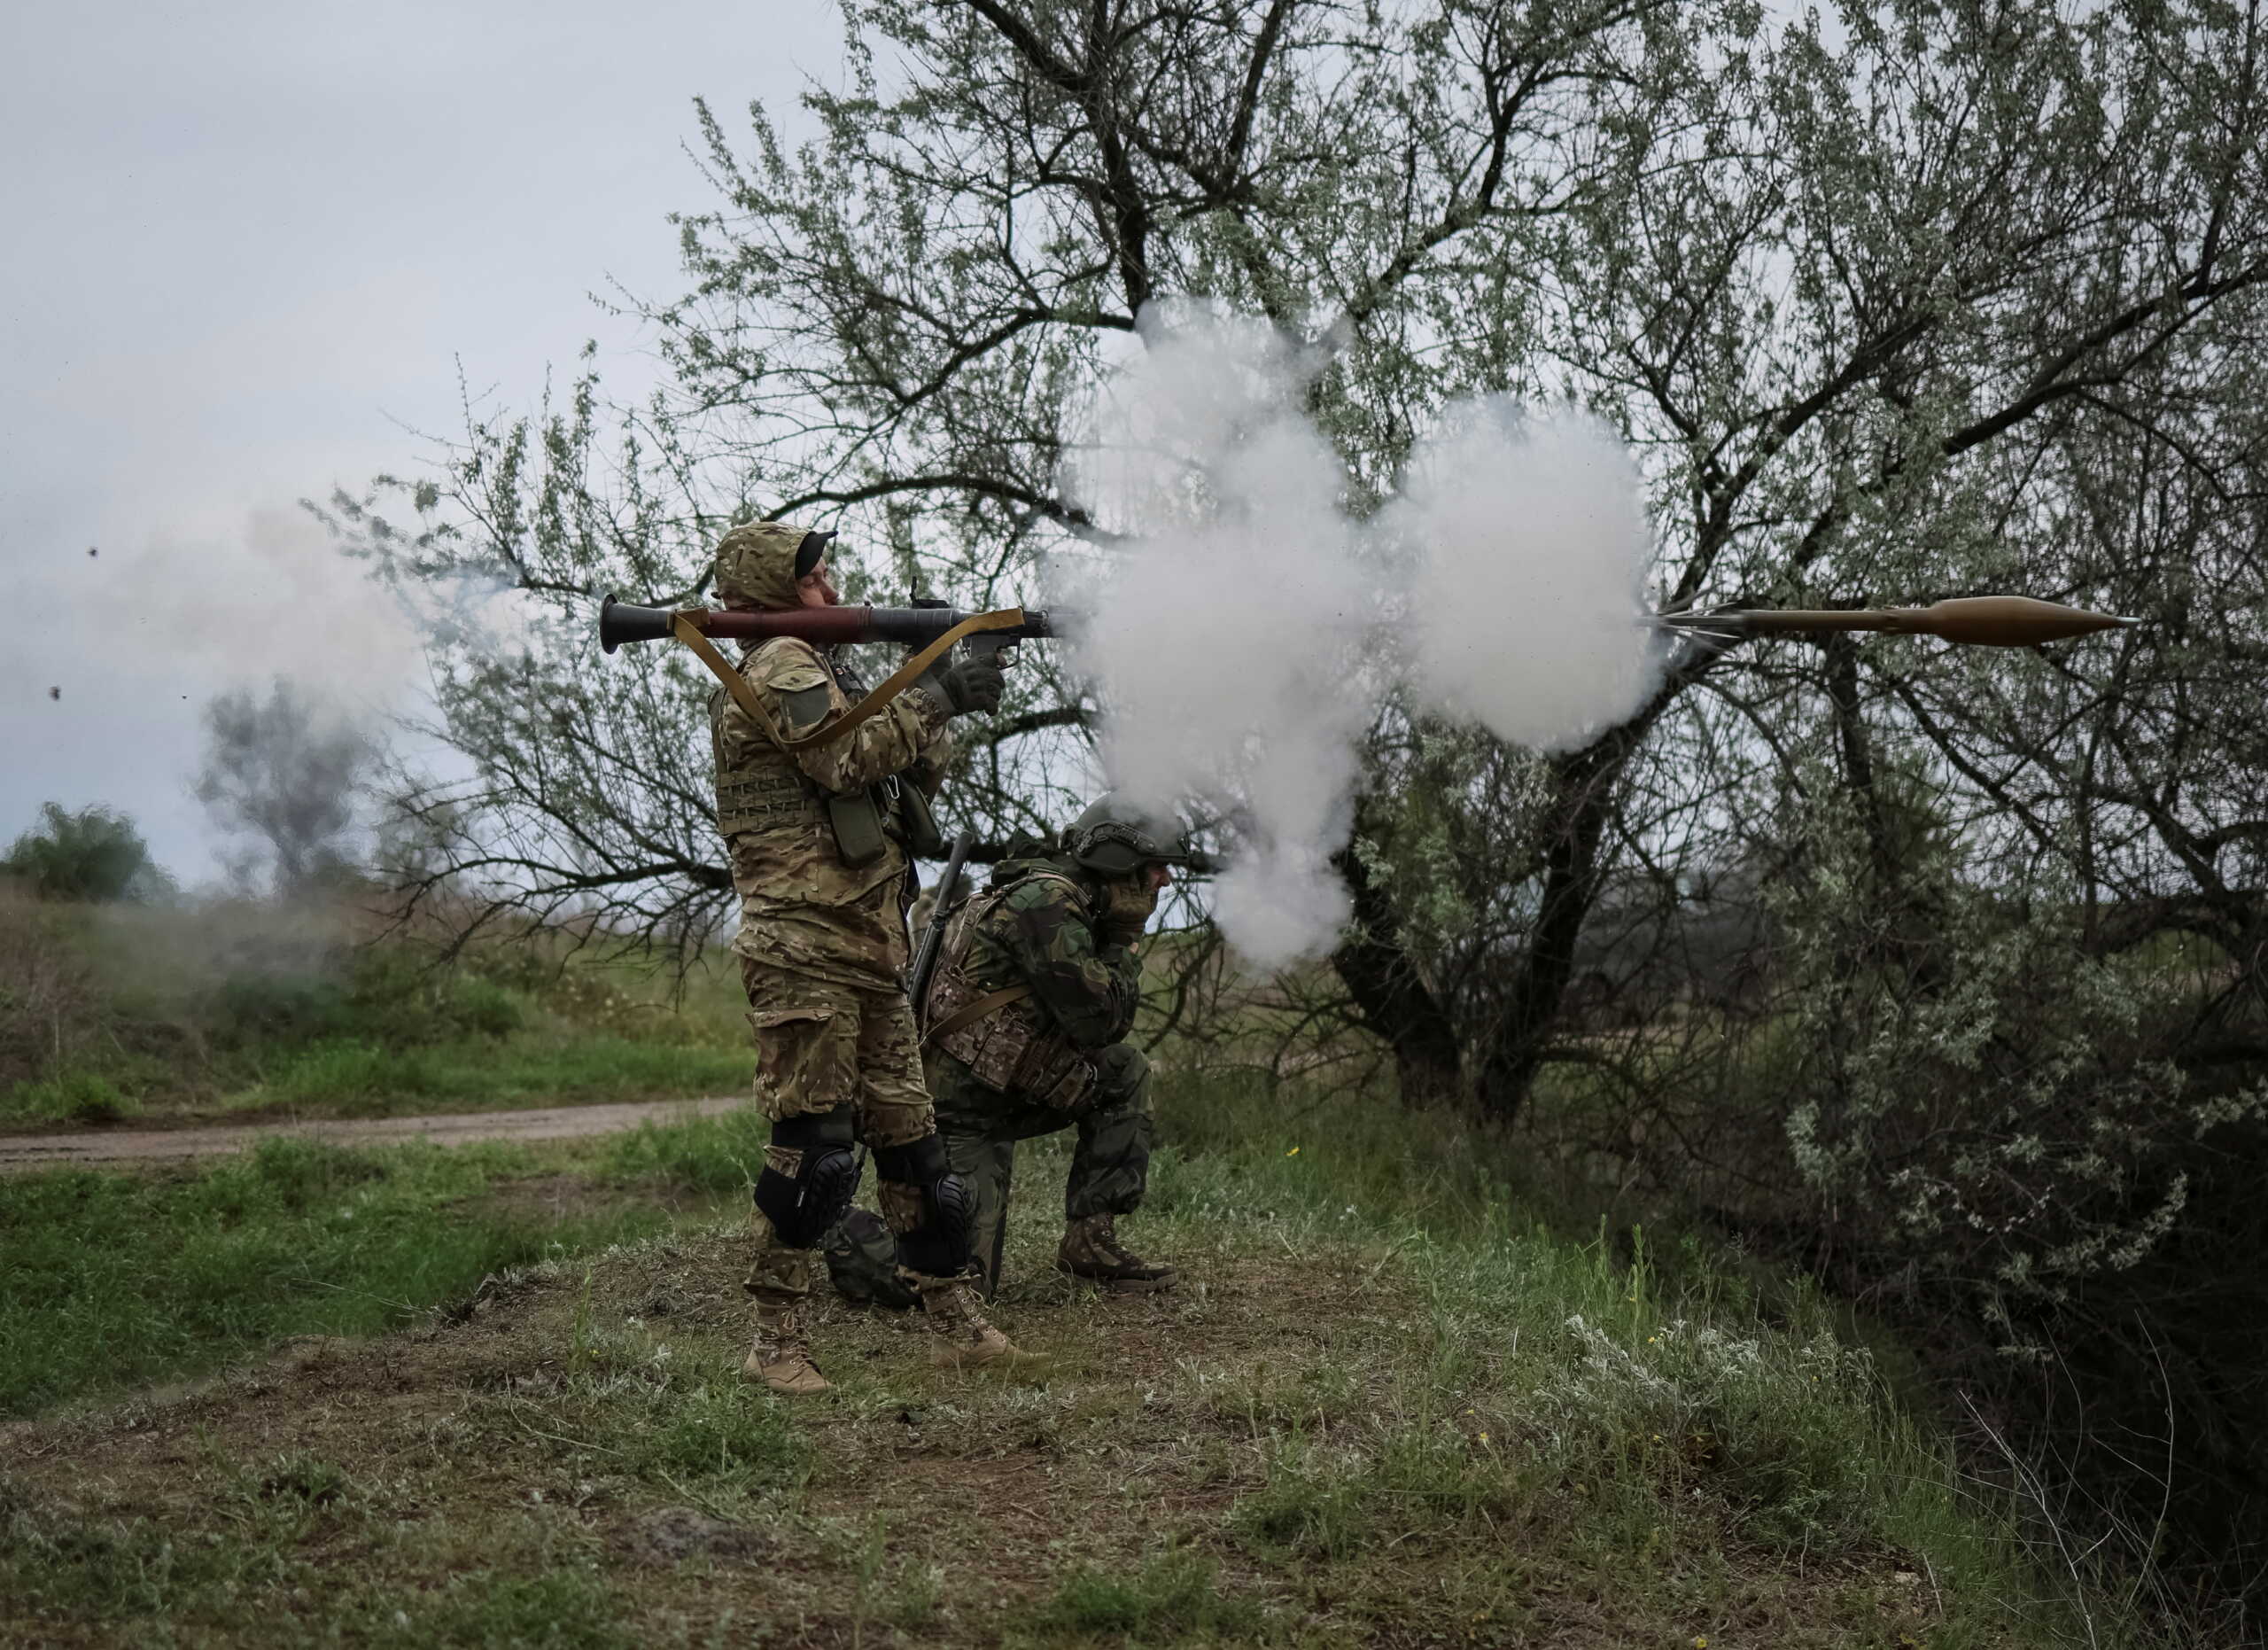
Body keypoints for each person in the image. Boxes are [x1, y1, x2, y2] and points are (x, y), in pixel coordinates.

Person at [705, 518, 1025, 1395]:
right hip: (803, 946)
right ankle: (776, 1342)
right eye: (813, 578)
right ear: (772, 589)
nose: (834, 587)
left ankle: (955, 1321)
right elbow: (842, 756)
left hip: (869, 941)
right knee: (815, 1153)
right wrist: (938, 690)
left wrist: (940, 682)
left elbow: (904, 788)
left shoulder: (825, 664)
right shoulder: (770, 664)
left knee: (916, 1148)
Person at [826, 797, 1199, 1304]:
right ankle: (834, 1225)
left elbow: (1100, 1038)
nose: (1165, 882)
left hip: (1004, 1090)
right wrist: (1126, 935)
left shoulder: (1073, 902)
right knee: (956, 1283)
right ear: (1119, 860)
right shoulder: (1046, 902)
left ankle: (1089, 1241)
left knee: (1122, 1072)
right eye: (1157, 868)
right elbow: (1101, 1020)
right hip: (957, 1115)